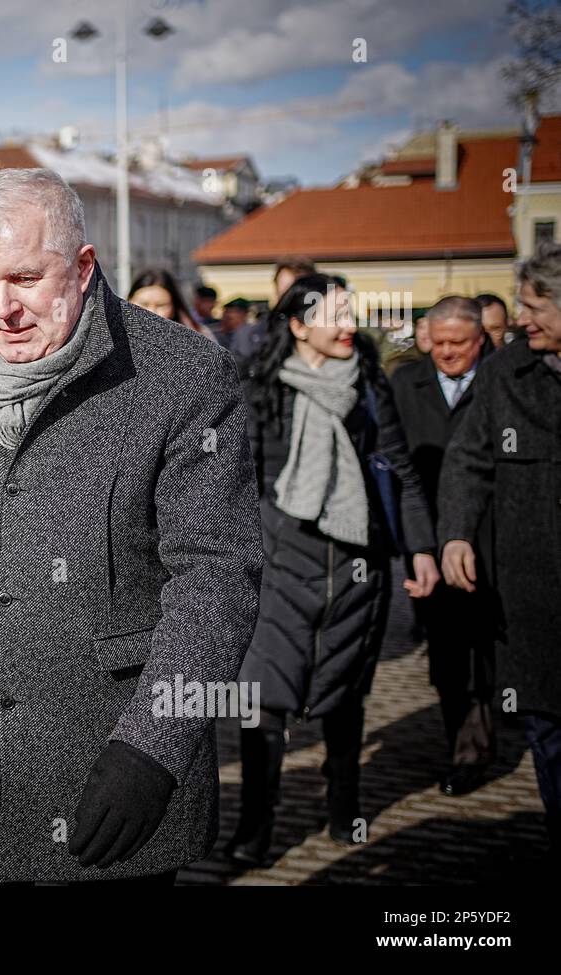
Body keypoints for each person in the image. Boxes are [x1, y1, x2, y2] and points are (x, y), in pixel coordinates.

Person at [0, 168, 263, 885]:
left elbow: (215, 575)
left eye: (25, 277)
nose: (3, 309)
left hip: (107, 773)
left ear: (84, 267)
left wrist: (153, 745)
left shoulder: (181, 376)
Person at [228, 273, 438, 866]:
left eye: (352, 313)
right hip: (277, 567)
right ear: (298, 325)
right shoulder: (262, 388)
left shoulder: (370, 386)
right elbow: (237, 480)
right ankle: (256, 824)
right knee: (261, 701)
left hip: (356, 568)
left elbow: (398, 469)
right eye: (335, 315)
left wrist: (420, 547)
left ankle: (345, 803)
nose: (349, 326)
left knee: (344, 696)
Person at [441, 242, 561, 865]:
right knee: (548, 731)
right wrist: (457, 532)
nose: (519, 317)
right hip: (535, 597)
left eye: (534, 305)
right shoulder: (505, 374)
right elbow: (468, 457)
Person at [390, 297, 498, 796]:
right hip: (429, 539)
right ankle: (464, 745)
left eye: (461, 343)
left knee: (490, 646)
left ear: (481, 340)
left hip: (495, 539)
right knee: (450, 653)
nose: (449, 352)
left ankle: (484, 734)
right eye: (440, 343)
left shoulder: (503, 382)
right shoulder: (406, 385)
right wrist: (414, 544)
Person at [229, 256, 317, 375]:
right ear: (276, 291)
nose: (290, 297)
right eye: (285, 290)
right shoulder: (248, 337)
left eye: (297, 291)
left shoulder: (325, 336)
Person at [127, 267, 215, 340]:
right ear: (129, 302)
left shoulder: (199, 338)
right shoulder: (115, 338)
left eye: (161, 305)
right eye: (144, 304)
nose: (151, 311)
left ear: (174, 308)